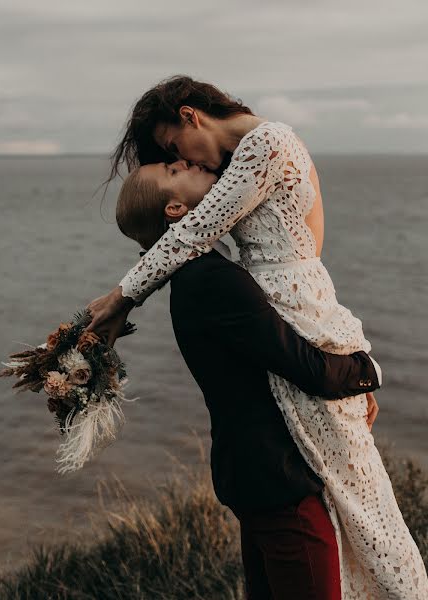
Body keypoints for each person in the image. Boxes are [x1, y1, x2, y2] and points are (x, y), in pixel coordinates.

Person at [85, 75, 428, 598]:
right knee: (345, 501)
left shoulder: (268, 145)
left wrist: (121, 297)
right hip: (285, 336)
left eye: (175, 149)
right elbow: (191, 232)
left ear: (190, 115)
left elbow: (199, 233)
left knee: (357, 498)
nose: (191, 163)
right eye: (173, 163)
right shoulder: (222, 220)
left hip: (298, 322)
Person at [113, 168, 384, 599]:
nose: (193, 166)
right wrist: (367, 371)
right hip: (281, 483)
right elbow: (308, 368)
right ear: (176, 209)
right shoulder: (213, 279)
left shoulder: (194, 276)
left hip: (254, 475)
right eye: (174, 169)